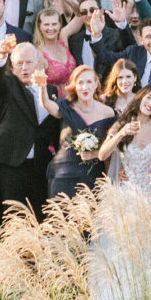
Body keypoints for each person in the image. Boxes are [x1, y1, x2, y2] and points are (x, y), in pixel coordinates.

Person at [0, 42, 56, 221]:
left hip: (39, 162)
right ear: (12, 67)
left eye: (29, 62)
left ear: (37, 63)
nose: (24, 68)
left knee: (38, 214)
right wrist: (0, 58)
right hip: (12, 162)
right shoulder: (9, 85)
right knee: (13, 215)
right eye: (19, 63)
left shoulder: (49, 90)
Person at [48, 65, 116, 201]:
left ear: (96, 83)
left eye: (89, 82)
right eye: (80, 82)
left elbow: (114, 144)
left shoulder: (108, 112)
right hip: (64, 171)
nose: (85, 87)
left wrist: (96, 154)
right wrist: (41, 87)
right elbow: (48, 105)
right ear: (74, 85)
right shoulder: (65, 106)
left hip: (92, 173)